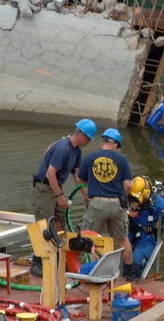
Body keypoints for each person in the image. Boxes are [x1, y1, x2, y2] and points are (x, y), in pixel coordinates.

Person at [29, 119, 95, 277]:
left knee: (60, 222)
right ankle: (37, 261)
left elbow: (77, 177)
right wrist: (59, 196)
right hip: (45, 188)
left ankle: (58, 257)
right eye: (90, 139)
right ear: (83, 136)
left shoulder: (77, 151)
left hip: (56, 187)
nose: (89, 142)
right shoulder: (63, 148)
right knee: (44, 225)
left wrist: (87, 196)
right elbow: (50, 173)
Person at [77, 128, 136, 279]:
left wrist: (91, 191)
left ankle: (92, 270)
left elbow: (80, 180)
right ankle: (129, 272)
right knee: (123, 239)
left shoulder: (90, 158)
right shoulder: (122, 160)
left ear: (103, 141)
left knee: (87, 237)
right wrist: (122, 195)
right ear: (115, 144)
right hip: (117, 205)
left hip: (97, 204)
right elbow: (128, 185)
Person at [127, 176, 164, 278]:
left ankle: (141, 279)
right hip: (130, 236)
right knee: (126, 263)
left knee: (136, 261)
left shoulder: (158, 203)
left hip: (147, 240)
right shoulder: (127, 199)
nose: (134, 205)